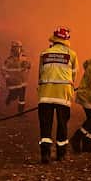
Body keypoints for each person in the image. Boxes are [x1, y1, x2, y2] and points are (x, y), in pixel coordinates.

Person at [36, 26, 78, 163]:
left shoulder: (44, 53)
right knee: (62, 124)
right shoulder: (72, 54)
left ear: (54, 39)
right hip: (63, 94)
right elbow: (73, 75)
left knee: (45, 124)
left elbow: (40, 74)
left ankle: (45, 155)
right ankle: (61, 154)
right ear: (66, 40)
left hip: (45, 94)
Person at [3, 41, 31, 113]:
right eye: (15, 48)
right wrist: (7, 77)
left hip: (22, 82)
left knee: (22, 97)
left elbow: (28, 66)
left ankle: (20, 112)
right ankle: (10, 97)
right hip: (13, 83)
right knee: (14, 97)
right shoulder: (9, 59)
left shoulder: (24, 57)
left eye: (18, 47)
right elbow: (3, 69)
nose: (17, 49)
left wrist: (27, 66)